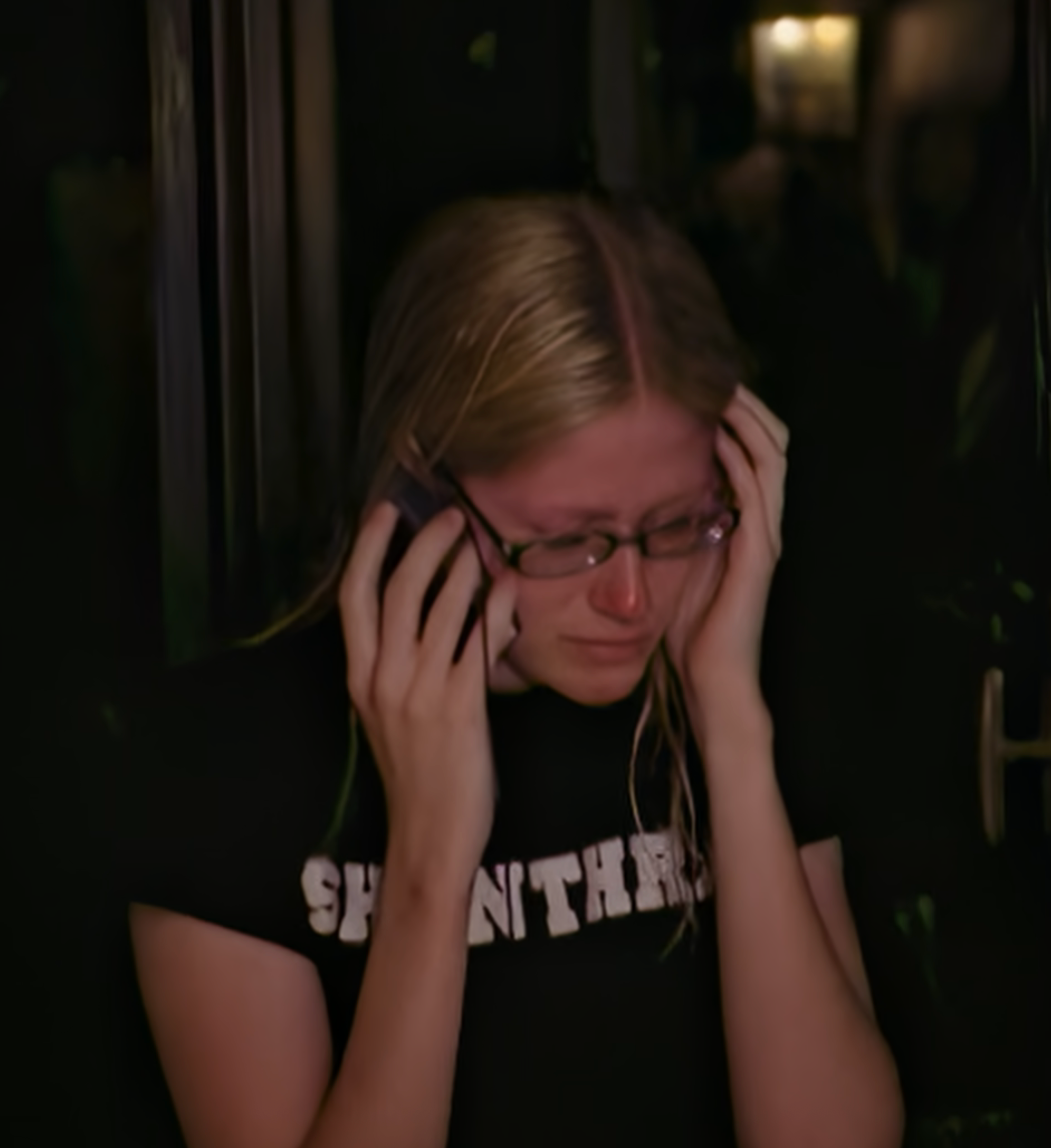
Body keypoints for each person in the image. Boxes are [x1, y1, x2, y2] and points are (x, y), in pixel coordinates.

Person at [115, 194, 903, 1148]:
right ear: (420, 484)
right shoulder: (227, 760)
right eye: (567, 540)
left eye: (674, 524)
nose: (631, 599)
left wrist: (730, 724)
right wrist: (429, 861)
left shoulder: (744, 676)